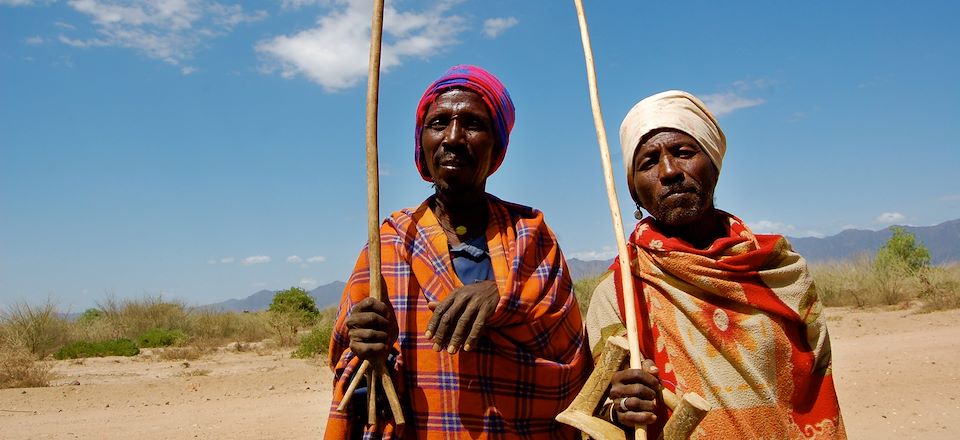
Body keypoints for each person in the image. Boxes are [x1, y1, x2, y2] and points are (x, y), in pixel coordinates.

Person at [324, 65, 592, 439]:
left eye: (472, 124)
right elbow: (359, 394)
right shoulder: (388, 244)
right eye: (438, 123)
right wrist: (370, 354)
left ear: (496, 145)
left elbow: (570, 364)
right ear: (423, 143)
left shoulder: (532, 238)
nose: (453, 137)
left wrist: (503, 296)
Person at [585, 90, 846, 438]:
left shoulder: (781, 274)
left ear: (713, 163)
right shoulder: (620, 293)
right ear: (634, 191)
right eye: (648, 162)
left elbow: (816, 389)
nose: (669, 171)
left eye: (683, 153)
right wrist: (621, 408)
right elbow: (595, 410)